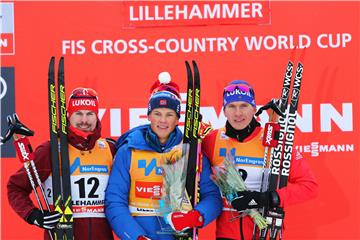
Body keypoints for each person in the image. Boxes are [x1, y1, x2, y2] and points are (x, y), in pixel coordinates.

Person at [105, 73, 222, 240]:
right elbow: (115, 201)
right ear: (149, 116)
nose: (163, 120)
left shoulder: (190, 151)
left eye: (169, 115)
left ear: (177, 119)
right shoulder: (129, 151)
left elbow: (212, 196)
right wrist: (136, 237)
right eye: (157, 113)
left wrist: (196, 216)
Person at [202, 80, 319, 240]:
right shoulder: (212, 140)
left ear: (254, 108)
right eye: (232, 106)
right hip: (226, 235)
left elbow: (309, 187)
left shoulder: (274, 141)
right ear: (224, 111)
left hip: (266, 232)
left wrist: (267, 198)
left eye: (244, 106)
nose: (238, 113)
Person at [7, 87, 115, 240]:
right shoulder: (50, 150)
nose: (84, 120)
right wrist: (33, 215)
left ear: (97, 116)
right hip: (62, 234)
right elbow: (16, 187)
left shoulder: (109, 149)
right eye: (78, 113)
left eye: (90, 114)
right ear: (68, 116)